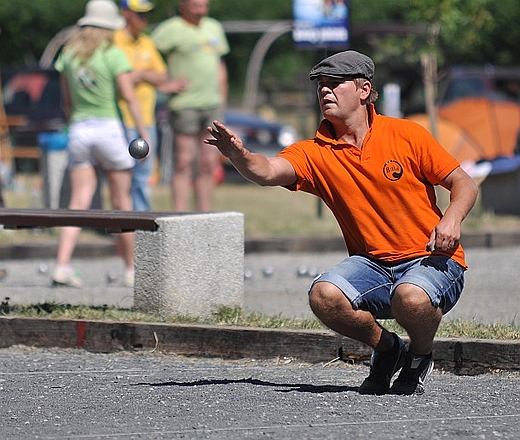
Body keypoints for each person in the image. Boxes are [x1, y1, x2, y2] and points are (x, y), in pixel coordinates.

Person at [205, 50, 479, 395]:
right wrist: (239, 156)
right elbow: (268, 171)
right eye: (320, 85)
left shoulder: (407, 134)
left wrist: (452, 219)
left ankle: (419, 356)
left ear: (364, 90)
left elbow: (464, 183)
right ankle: (388, 348)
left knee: (410, 297)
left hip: (432, 259)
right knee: (324, 295)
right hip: (373, 265)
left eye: (334, 84)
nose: (325, 92)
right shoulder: (315, 151)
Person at [52, 0, 150, 288]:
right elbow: (130, 97)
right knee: (122, 202)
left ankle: (62, 265)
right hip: (109, 130)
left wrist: (73, 124)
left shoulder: (68, 54)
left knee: (78, 202)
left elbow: (66, 100)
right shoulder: (113, 53)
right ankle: (132, 270)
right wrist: (142, 132)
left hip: (80, 129)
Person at [151, 0, 229, 212]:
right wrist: (164, 84)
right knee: (184, 161)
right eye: (196, 4)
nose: (201, 7)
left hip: (211, 104)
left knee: (208, 163)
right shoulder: (169, 29)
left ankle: (204, 215)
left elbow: (220, 65)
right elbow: (147, 58)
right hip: (184, 104)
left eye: (204, 4)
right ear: (182, 5)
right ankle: (180, 215)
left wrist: (222, 100)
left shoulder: (214, 27)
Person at [115, 0, 187, 211]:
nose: (144, 19)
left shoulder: (147, 42)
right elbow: (117, 79)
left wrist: (141, 74)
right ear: (126, 13)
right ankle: (122, 224)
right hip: (121, 119)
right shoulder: (114, 41)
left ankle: (140, 224)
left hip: (146, 120)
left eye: (146, 15)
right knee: (121, 177)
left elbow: (163, 75)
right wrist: (143, 76)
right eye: (139, 14)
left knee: (143, 176)